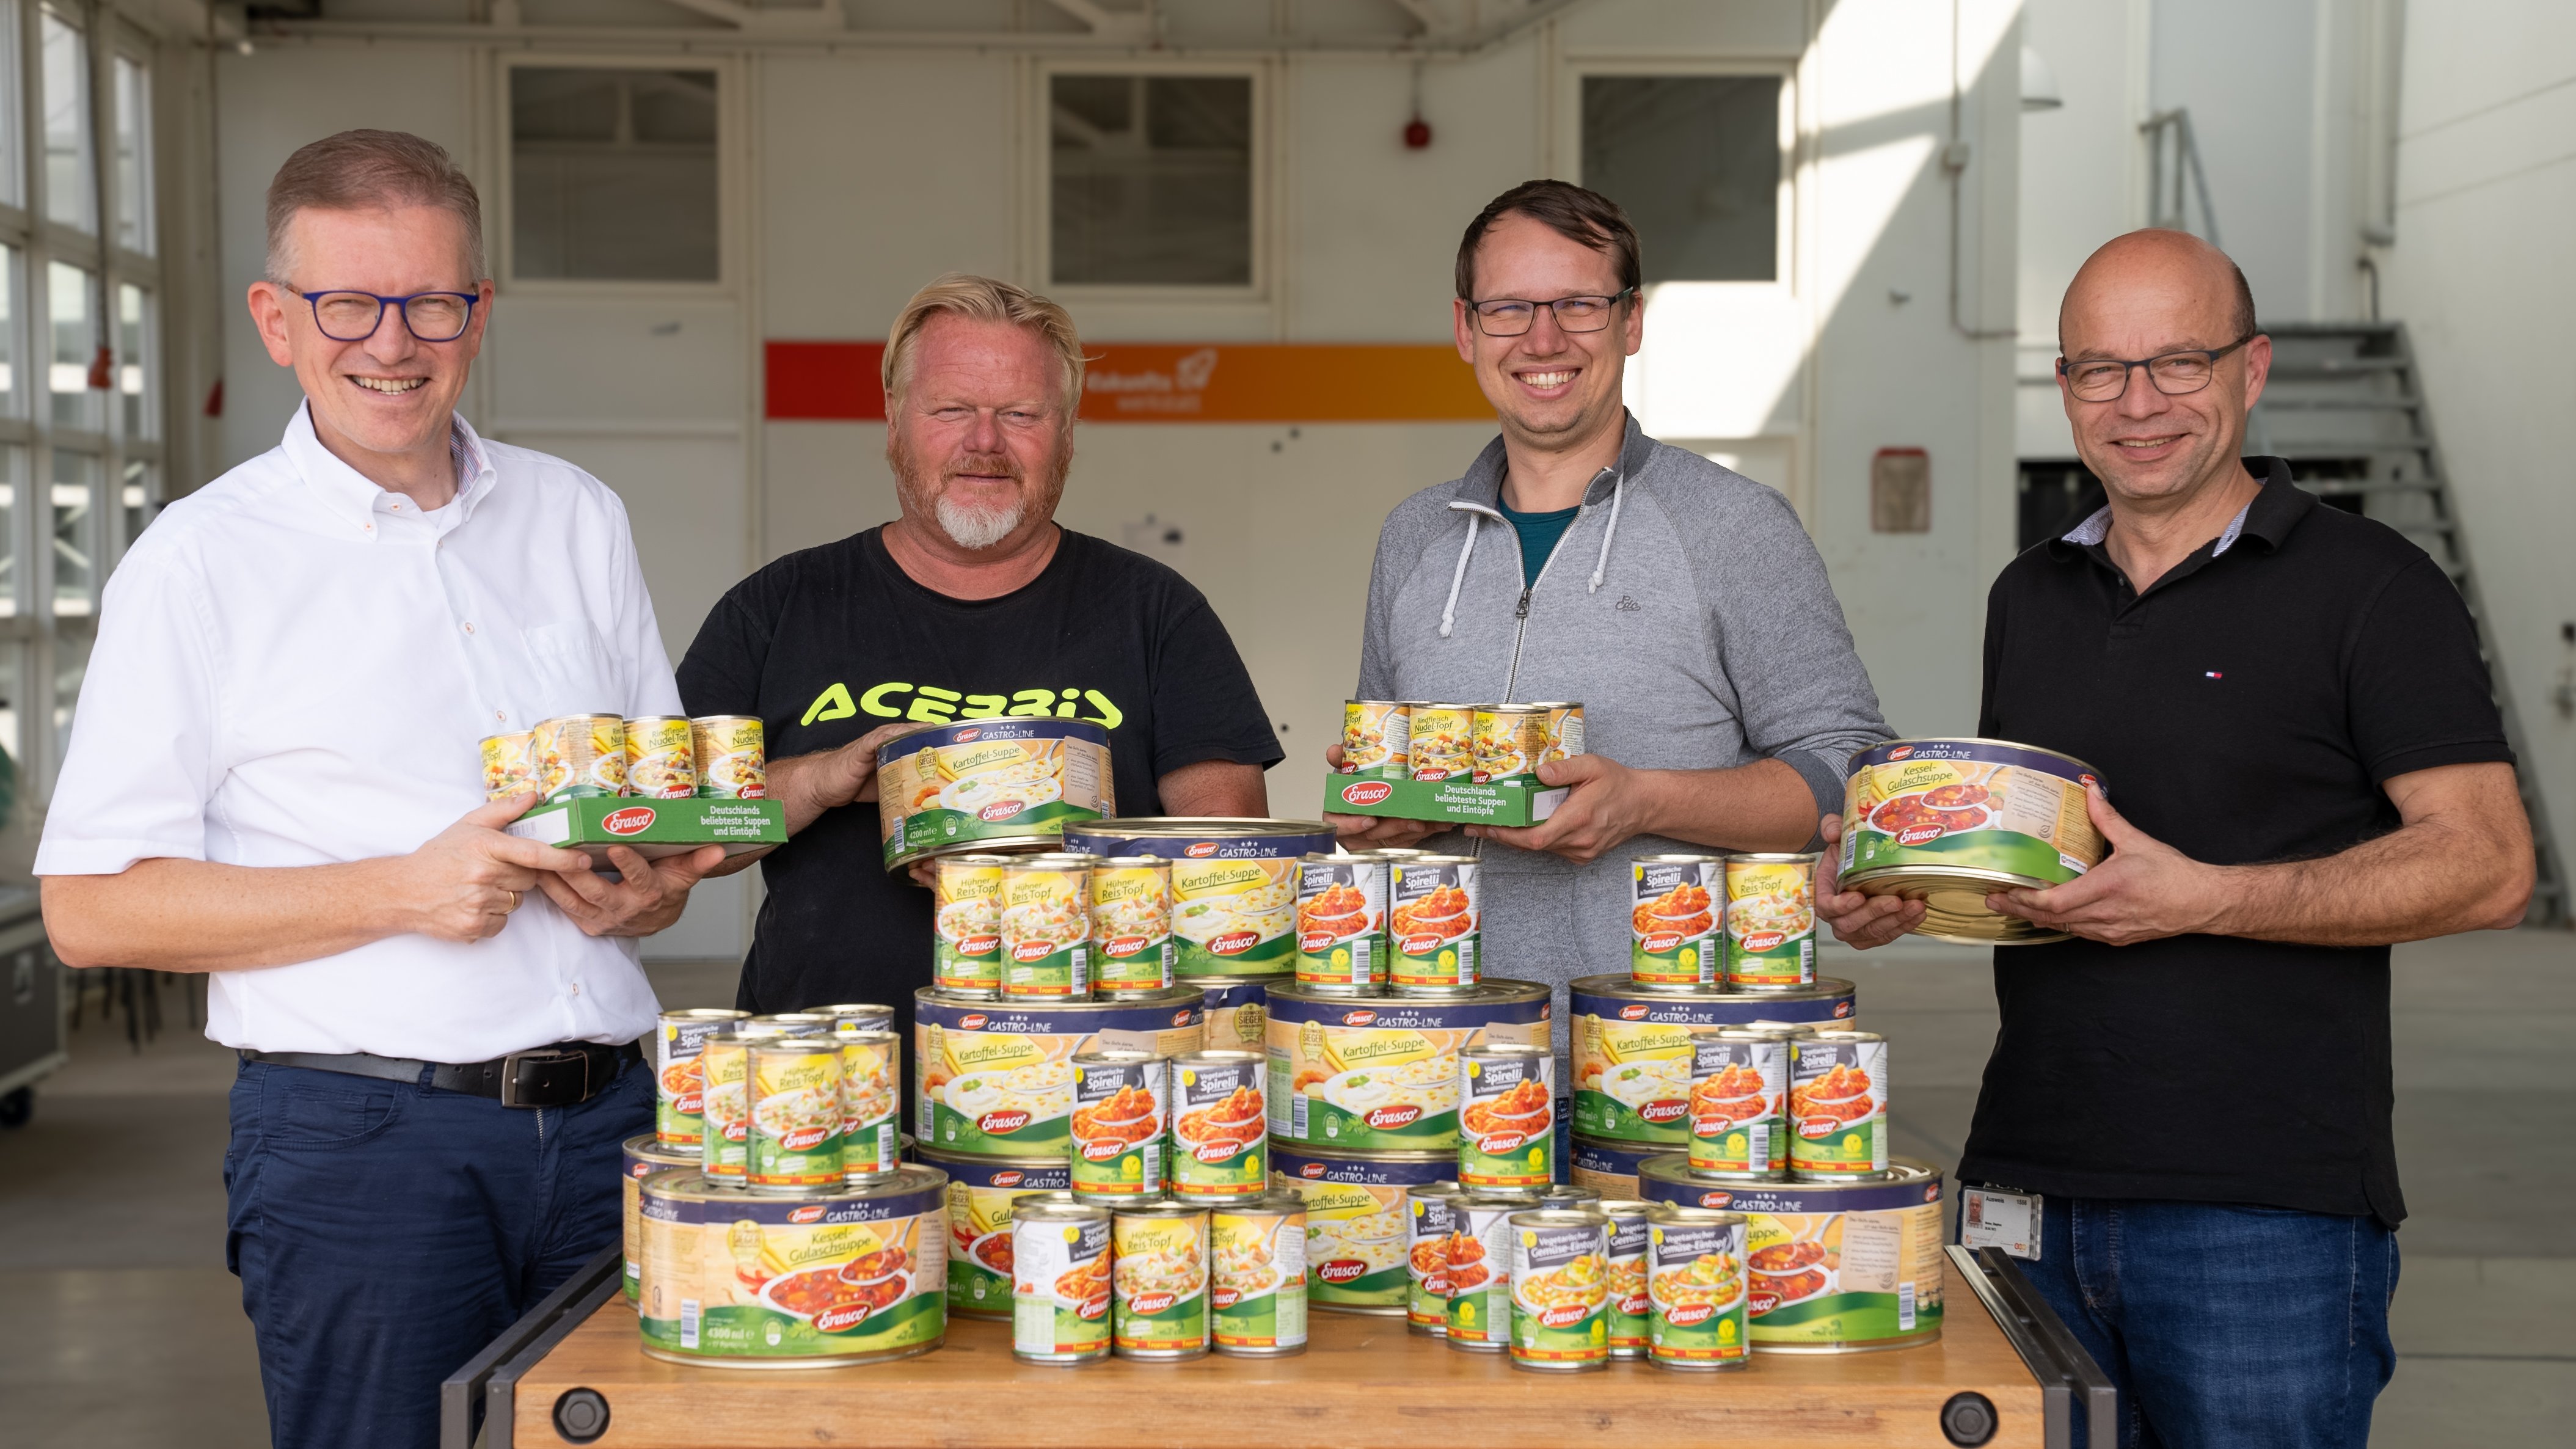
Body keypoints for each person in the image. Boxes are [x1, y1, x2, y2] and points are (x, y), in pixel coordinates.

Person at [34, 132, 721, 1449]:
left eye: (432, 303)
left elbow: (651, 804)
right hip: (365, 1144)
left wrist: (640, 884)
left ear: (479, 311)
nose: (391, 342)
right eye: (348, 303)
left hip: (613, 1126)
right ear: (277, 320)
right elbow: (90, 911)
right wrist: (407, 890)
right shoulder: (200, 563)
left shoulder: (575, 514)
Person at [1819, 228, 2534, 1448]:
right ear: (2062, 388)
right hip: (2027, 1184)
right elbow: (2054, 870)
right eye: (2098, 369)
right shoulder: (2027, 594)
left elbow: (2486, 863)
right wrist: (1907, 892)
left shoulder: (2369, 584)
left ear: (2248, 370)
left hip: (2258, 1210)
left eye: (2176, 363)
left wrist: (2203, 896)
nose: (2135, 403)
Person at [1333, 179, 1888, 1029]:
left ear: (1631, 322)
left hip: (1676, 1071)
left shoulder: (1734, 527)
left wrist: (1647, 802)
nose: (1543, 338)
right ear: (1465, 329)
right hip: (1440, 1054)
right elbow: (1388, 778)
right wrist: (1378, 815)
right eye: (1509, 308)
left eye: (1579, 305)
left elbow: (1852, 770)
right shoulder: (1414, 538)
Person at [679, 273, 1281, 1026]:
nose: (985, 442)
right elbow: (677, 833)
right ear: (894, 420)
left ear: (1066, 434)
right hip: (822, 1089)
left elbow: (1229, 861)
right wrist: (823, 780)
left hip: (1088, 1081)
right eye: (952, 409)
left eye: (1020, 413)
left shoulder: (1155, 611)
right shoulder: (778, 605)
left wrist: (1044, 871)